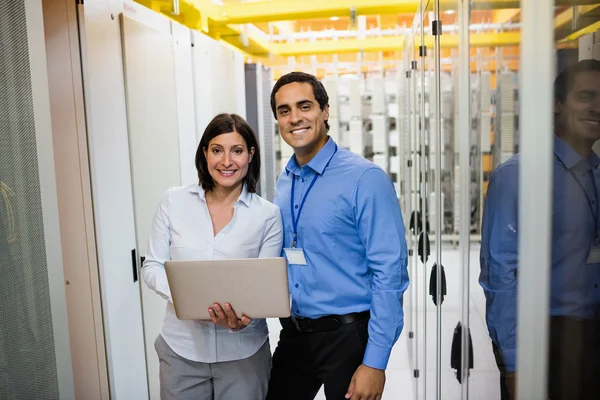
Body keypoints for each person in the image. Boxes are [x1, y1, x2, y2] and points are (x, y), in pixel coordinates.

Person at [266, 71, 409, 400]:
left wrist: (375, 362)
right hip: (296, 332)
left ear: (325, 111)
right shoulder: (286, 179)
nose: (295, 118)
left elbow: (390, 273)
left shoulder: (365, 179)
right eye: (284, 110)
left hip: (348, 336)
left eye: (304, 106)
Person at [480, 59, 600, 400]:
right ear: (557, 105)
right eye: (586, 96)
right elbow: (500, 276)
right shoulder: (519, 175)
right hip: (543, 338)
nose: (597, 107)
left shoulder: (596, 171)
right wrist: (517, 365)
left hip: (591, 334)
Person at [142, 113, 283, 400]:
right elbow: (153, 265)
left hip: (244, 354)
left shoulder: (267, 215)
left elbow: (265, 286)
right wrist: (188, 297)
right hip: (181, 350)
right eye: (217, 150)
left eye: (237, 151)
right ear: (205, 153)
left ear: (251, 155)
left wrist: (245, 314)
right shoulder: (174, 201)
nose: (227, 161)